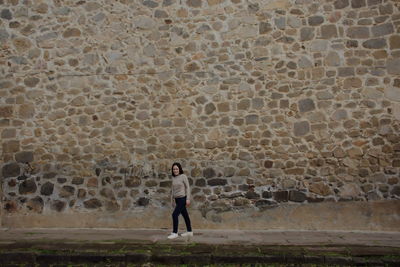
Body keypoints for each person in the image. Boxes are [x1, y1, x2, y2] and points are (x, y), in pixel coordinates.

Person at [167, 162, 193, 239]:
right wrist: (172, 200)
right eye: (174, 169)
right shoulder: (173, 178)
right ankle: (189, 232)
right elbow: (172, 190)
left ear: (179, 169)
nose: (175, 170)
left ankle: (175, 233)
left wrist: (188, 198)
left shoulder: (183, 176)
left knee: (174, 214)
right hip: (177, 199)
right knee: (185, 215)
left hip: (182, 198)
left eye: (176, 169)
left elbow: (188, 187)